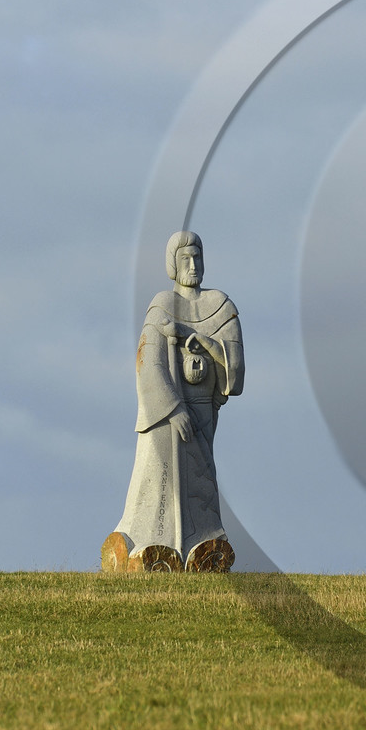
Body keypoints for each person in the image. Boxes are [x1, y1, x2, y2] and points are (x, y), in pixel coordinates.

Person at [107, 231, 244, 572]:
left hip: (203, 411)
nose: (193, 265)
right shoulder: (162, 307)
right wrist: (172, 407)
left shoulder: (221, 306)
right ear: (173, 265)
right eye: (185, 259)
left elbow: (235, 368)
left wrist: (205, 344)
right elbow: (148, 365)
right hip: (168, 417)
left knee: (200, 481)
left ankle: (204, 545)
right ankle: (151, 543)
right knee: (158, 481)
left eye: (197, 257)